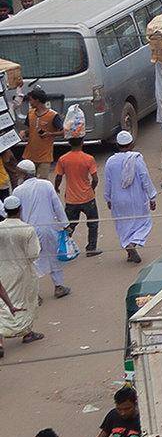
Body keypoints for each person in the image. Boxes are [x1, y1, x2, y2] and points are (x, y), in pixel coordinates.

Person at [15, 164, 66, 301]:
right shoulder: (46, 185)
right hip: (49, 228)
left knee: (32, 262)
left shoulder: (17, 191)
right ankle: (59, 286)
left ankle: (35, 294)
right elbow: (57, 205)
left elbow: (16, 213)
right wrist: (65, 225)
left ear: (23, 174)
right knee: (54, 256)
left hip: (30, 231)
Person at [102, 130, 154, 263]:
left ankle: (129, 250)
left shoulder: (110, 162)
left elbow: (107, 182)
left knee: (123, 225)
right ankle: (133, 243)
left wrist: (108, 199)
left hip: (118, 200)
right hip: (136, 199)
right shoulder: (136, 159)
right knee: (144, 222)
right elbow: (145, 178)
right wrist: (152, 197)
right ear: (131, 144)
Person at [0, 197, 40, 357]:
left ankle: (1, 341)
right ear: (20, 209)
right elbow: (34, 254)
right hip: (22, 271)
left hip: (2, 270)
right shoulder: (27, 229)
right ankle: (27, 333)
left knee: (2, 303)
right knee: (25, 301)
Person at [55, 137, 99, 257]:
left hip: (71, 199)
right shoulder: (89, 158)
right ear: (82, 142)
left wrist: (56, 187)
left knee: (69, 224)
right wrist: (91, 189)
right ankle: (91, 249)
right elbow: (95, 179)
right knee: (93, 223)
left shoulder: (63, 159)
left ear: (69, 143)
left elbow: (58, 176)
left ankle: (63, 248)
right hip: (88, 197)